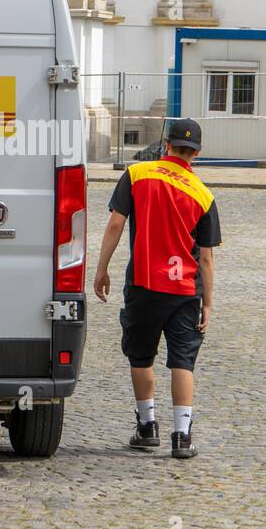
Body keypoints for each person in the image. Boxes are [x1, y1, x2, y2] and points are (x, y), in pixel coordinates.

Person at [93, 119, 221, 459]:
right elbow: (206, 258)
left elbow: (115, 224)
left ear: (167, 145)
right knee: (182, 361)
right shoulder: (203, 195)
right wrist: (208, 303)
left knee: (140, 355)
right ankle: (182, 436)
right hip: (184, 291)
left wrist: (101, 268)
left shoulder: (137, 175)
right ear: (198, 153)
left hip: (143, 284)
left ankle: (147, 427)